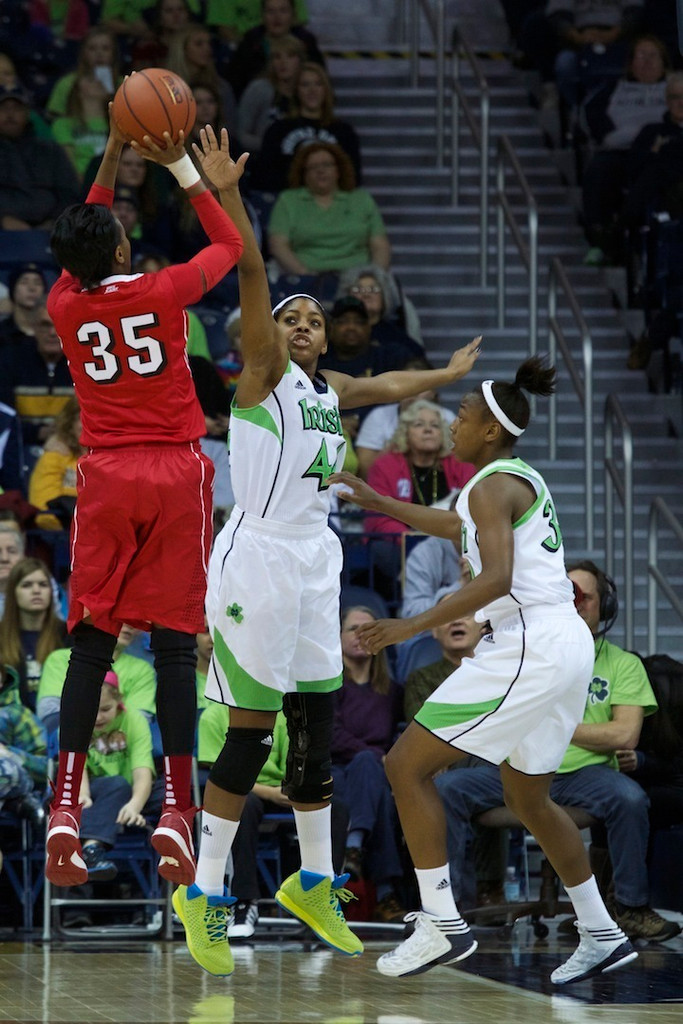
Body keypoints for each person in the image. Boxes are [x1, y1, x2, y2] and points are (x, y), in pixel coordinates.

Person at [169, 124, 481, 978]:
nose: (304, 321)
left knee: (314, 726)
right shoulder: (260, 376)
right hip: (257, 559)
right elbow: (252, 272)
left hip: (316, 555)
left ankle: (311, 881)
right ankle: (203, 892)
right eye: (290, 316)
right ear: (264, 337)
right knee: (248, 730)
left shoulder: (330, 387)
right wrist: (229, 196)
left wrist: (443, 375)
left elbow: (385, 385)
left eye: (313, 317)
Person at [329, 357, 637, 985]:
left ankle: (441, 922)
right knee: (527, 796)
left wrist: (408, 627)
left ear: (490, 430)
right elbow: (453, 527)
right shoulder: (507, 481)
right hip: (559, 643)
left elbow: (495, 578)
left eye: (463, 413)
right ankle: (601, 930)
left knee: (404, 765)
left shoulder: (490, 484)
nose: (452, 423)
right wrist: (377, 497)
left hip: (528, 643)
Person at [42, 113, 244, 890]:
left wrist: (111, 155)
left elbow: (82, 241)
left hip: (104, 473)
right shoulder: (161, 293)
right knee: (170, 641)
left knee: (93, 638)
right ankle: (176, 807)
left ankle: (65, 803)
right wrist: (181, 171)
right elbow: (226, 247)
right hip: (175, 473)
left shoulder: (65, 306)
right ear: (124, 250)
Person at [434, 561, 681, 943]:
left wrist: (552, 723)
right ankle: (449, 910)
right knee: (448, 788)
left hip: (585, 777)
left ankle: (629, 907)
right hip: (515, 771)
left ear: (605, 607)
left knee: (630, 798)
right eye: (567, 594)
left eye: (584, 596)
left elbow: (624, 735)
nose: (575, 603)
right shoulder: (522, 654)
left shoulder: (623, 664)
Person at [332, 605, 406, 924]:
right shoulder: (329, 685)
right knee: (369, 771)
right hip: (336, 770)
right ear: (338, 636)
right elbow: (330, 735)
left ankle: (354, 850)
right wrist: (378, 757)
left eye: (369, 628)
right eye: (353, 628)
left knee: (380, 793)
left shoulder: (393, 691)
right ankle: (386, 893)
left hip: (379, 773)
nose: (361, 635)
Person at [581, 34, 669, 265]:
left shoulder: (674, 90)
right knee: (599, 170)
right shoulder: (612, 90)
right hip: (619, 151)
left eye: (653, 56)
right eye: (641, 55)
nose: (647, 61)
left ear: (664, 63)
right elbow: (596, 121)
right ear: (630, 63)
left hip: (660, 153)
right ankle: (600, 238)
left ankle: (625, 233)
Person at [75, 671, 155, 881]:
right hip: (92, 790)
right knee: (116, 785)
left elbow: (142, 771)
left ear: (119, 701)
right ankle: (91, 850)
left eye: (105, 709)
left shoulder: (134, 720)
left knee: (170, 794)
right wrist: (82, 794)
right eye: (92, 710)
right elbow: (76, 768)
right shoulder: (73, 721)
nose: (98, 717)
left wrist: (135, 806)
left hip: (130, 792)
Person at [267, 143, 391, 276]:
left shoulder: (361, 198)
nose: (320, 171)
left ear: (338, 170)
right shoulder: (288, 200)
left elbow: (380, 245)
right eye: (313, 167)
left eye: (326, 165)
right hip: (303, 277)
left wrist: (373, 278)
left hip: (356, 279)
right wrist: (304, 274)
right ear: (304, 173)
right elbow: (278, 245)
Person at [252, 62, 362, 193]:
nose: (312, 90)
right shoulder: (278, 130)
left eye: (318, 84)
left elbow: (352, 178)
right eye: (305, 85)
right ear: (296, 90)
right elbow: (265, 176)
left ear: (326, 89)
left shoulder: (344, 132)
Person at [37, 624, 157, 734]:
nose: (130, 626)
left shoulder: (143, 669)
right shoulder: (60, 659)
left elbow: (141, 720)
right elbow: (50, 714)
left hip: (123, 751)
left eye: (134, 621)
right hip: (67, 745)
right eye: (121, 618)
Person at [0, 305, 74, 472]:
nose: (53, 332)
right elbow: (4, 422)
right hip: (21, 450)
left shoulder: (82, 365)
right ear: (33, 328)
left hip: (71, 450)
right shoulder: (10, 362)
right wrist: (40, 433)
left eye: (58, 325)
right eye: (45, 325)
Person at [0, 83, 80, 230]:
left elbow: (70, 194)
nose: (10, 114)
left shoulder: (50, 151)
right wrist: (2, 220)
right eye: (4, 108)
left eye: (16, 108)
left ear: (27, 113)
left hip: (50, 232)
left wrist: (54, 221)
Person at [0, 557, 68, 713]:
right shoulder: (1, 635)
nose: (36, 590)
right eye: (27, 585)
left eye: (43, 585)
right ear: (13, 593)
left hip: (58, 725)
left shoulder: (68, 635)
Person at [225, 0, 324, 100]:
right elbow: (235, 83)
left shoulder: (305, 41)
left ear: (293, 14)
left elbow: (321, 80)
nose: (277, 17)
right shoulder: (251, 41)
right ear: (262, 15)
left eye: (283, 11)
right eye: (271, 11)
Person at [237, 33, 306, 156]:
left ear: (300, 60)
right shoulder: (259, 89)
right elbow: (241, 134)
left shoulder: (307, 91)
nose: (283, 62)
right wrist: (274, 145)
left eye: (290, 56)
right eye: (277, 57)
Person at [29, 396, 85, 531]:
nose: (89, 423)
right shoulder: (56, 455)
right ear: (69, 423)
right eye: (81, 417)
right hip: (63, 538)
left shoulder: (118, 458)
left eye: (96, 417)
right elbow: (44, 511)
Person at [0, 263, 48, 350]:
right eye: (24, 282)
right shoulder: (2, 333)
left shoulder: (53, 335)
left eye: (37, 283)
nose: (32, 288)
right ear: (13, 291)